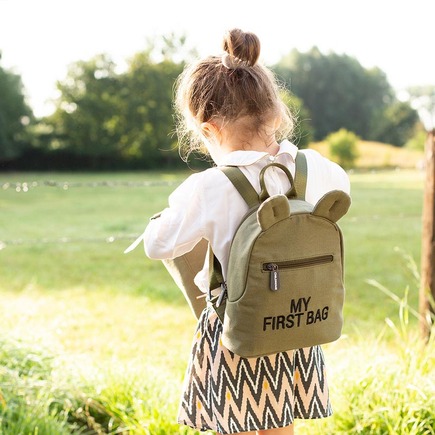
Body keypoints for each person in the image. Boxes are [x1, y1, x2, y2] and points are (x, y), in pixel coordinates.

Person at [128, 28, 350, 435]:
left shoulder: (211, 187)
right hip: (298, 323)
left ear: (208, 128)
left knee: (238, 426)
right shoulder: (319, 168)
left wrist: (165, 216)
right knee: (282, 426)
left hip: (242, 330)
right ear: (276, 114)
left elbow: (160, 245)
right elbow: (342, 193)